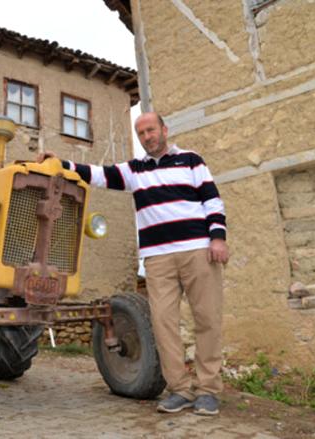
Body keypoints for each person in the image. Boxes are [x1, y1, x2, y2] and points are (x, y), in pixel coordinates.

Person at [37, 112, 229, 416]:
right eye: (141, 133)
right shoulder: (135, 170)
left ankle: (207, 390)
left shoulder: (191, 160)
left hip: (198, 251)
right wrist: (62, 164)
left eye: (151, 130)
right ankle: (179, 389)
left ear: (164, 130)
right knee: (163, 325)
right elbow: (100, 174)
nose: (147, 136)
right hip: (157, 257)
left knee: (207, 320)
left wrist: (217, 238)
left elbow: (212, 200)